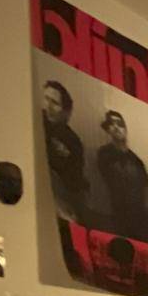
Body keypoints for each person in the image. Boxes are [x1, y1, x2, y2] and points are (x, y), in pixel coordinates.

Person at [96, 110, 148, 242]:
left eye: (119, 123)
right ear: (108, 130)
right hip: (117, 217)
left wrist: (146, 217)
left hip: (139, 219)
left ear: (125, 128)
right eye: (111, 124)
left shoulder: (137, 161)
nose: (116, 127)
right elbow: (108, 178)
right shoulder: (104, 153)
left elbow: (146, 188)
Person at [41, 80, 88, 222]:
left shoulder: (73, 141)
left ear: (64, 111)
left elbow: (75, 180)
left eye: (55, 103)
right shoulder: (32, 119)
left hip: (59, 193)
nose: (48, 106)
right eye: (46, 99)